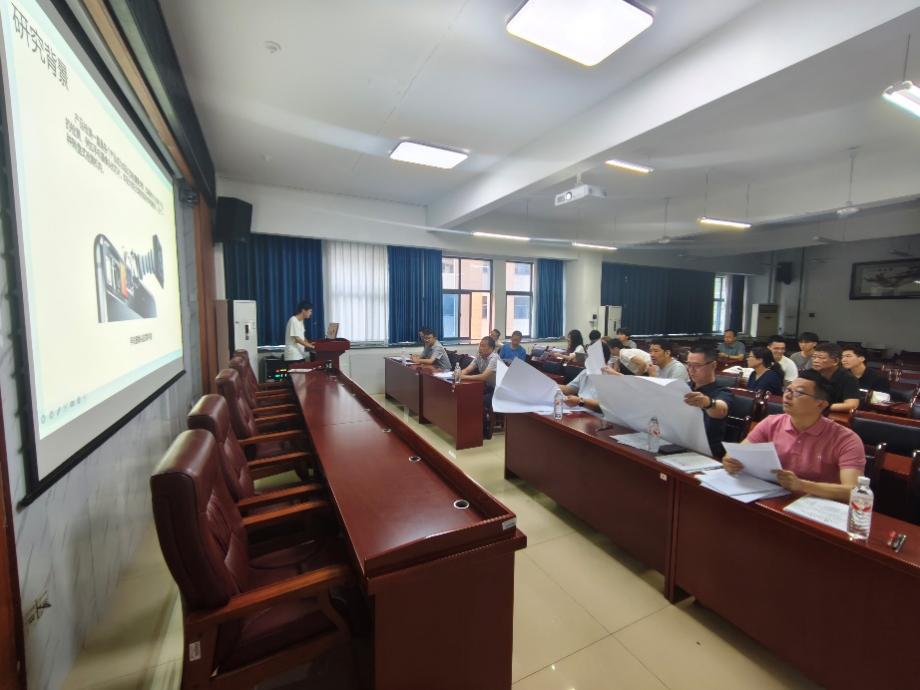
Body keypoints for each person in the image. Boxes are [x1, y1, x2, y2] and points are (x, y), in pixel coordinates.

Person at [723, 371, 865, 502]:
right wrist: (731, 462)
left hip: (815, 506)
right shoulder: (771, 423)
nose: (788, 396)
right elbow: (733, 455)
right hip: (772, 498)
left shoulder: (846, 439)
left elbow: (853, 491)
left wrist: (802, 485)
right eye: (788, 390)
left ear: (821, 404)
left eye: (798, 393)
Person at [683, 346, 733, 458]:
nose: (691, 370)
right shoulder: (684, 388)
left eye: (697, 365)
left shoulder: (723, 392)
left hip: (705, 452)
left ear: (713, 365)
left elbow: (721, 409)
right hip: (681, 442)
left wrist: (708, 403)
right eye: (689, 365)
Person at [461, 336, 500, 439]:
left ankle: (484, 430)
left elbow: (483, 377)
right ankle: (470, 427)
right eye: (480, 345)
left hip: (499, 390)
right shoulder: (479, 356)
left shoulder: (494, 358)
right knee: (468, 396)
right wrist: (458, 373)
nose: (480, 348)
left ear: (491, 348)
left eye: (483, 346)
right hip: (488, 387)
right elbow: (468, 369)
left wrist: (463, 377)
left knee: (478, 401)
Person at [810, 342, 860, 413]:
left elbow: (852, 405)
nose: (815, 361)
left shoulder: (849, 378)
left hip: (833, 414)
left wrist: (822, 406)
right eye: (814, 357)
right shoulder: (809, 374)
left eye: (821, 358)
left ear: (836, 361)